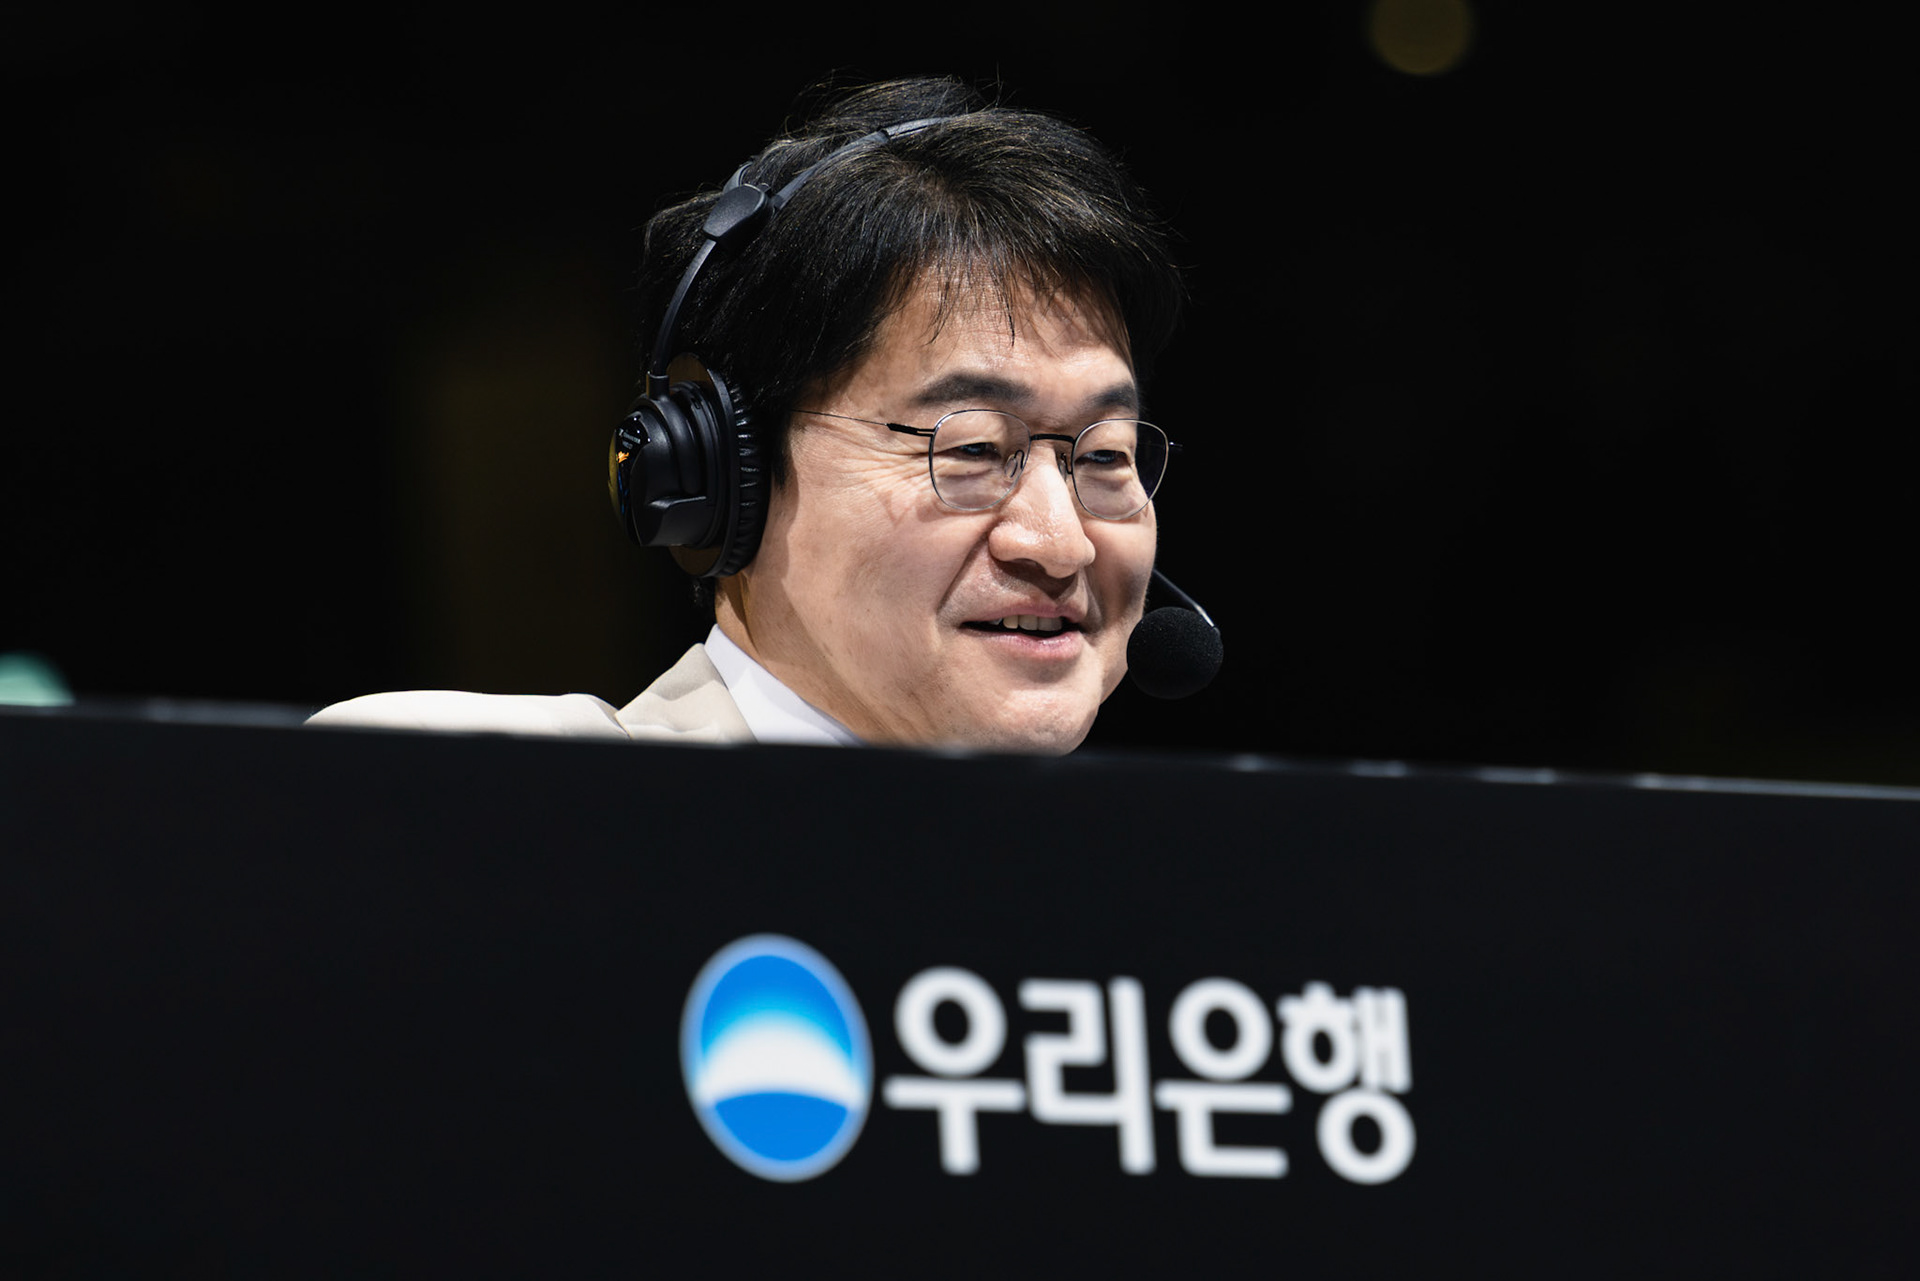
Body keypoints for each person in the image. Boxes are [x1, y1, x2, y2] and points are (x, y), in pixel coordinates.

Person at [310, 77, 1188, 752]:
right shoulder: (474, 800)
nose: (1061, 542)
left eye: (1103, 456)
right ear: (721, 481)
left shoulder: (1184, 921)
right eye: (972, 447)